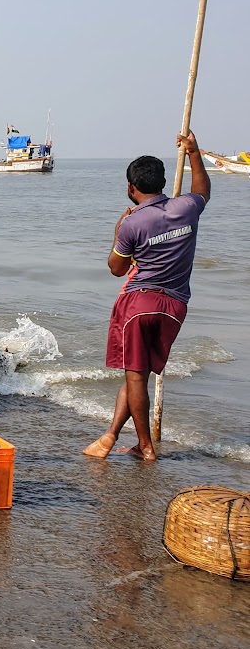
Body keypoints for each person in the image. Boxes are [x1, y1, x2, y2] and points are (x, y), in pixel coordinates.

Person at [83, 130, 211, 462]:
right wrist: (194, 152)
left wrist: (116, 232)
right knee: (136, 374)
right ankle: (111, 434)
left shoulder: (132, 224)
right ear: (163, 182)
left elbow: (115, 268)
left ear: (131, 187)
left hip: (140, 302)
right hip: (175, 307)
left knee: (135, 375)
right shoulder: (186, 208)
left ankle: (146, 447)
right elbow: (202, 190)